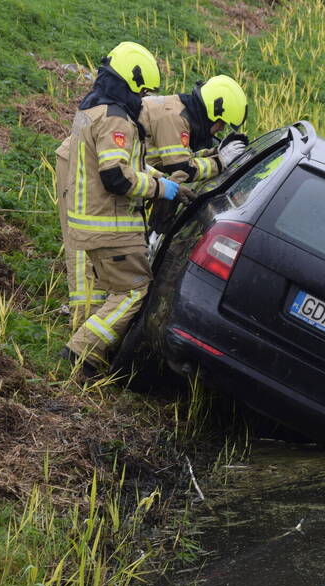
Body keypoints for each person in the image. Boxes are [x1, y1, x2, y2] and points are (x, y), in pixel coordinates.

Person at [57, 41, 193, 375]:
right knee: (134, 290)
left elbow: (124, 165)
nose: (143, 99)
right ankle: (82, 353)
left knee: (105, 289)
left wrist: (156, 178)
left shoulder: (93, 109)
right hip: (111, 224)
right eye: (142, 90)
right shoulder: (117, 120)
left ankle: (83, 338)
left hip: (88, 220)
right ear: (129, 83)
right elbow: (117, 177)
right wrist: (163, 188)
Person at [139, 75, 249, 234]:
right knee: (175, 183)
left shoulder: (180, 111)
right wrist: (220, 161)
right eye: (222, 123)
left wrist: (214, 152)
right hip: (118, 182)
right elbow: (182, 168)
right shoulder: (175, 118)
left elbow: (182, 157)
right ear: (213, 113)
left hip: (131, 172)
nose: (221, 129)